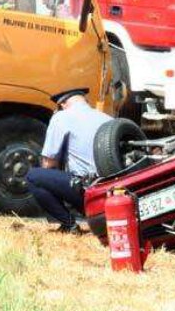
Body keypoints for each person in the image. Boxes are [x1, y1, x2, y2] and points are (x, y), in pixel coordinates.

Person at [27, 88, 112, 233]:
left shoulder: (62, 117)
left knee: (34, 177)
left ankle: (69, 224)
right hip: (111, 192)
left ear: (63, 104)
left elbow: (49, 163)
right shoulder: (108, 119)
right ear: (85, 100)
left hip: (87, 192)